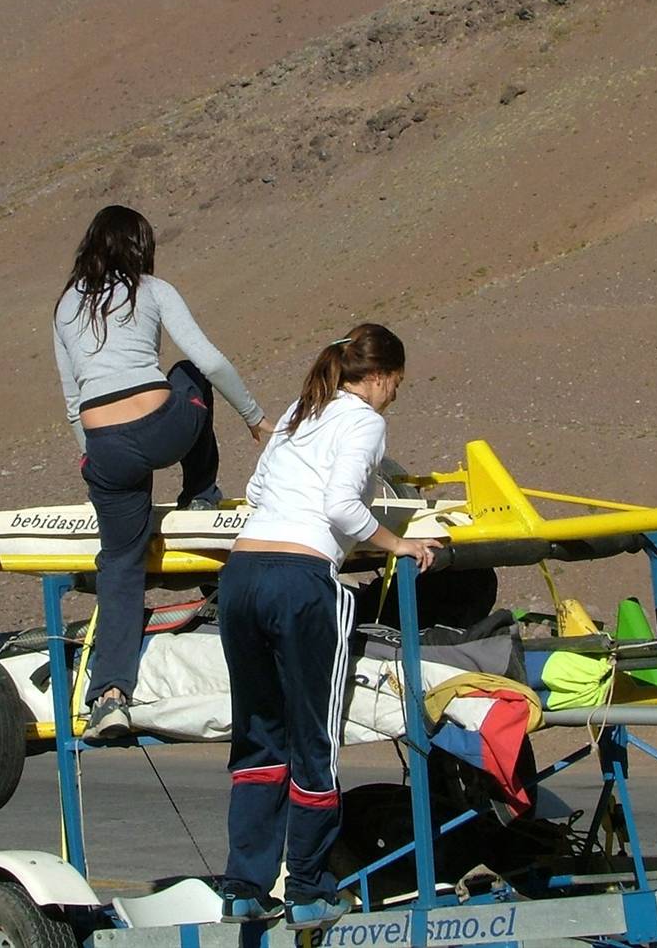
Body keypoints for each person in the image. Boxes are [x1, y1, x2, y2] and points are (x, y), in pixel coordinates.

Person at [218, 322, 440, 929]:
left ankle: (244, 885)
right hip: (302, 580)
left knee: (259, 735)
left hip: (241, 576)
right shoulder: (366, 422)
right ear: (383, 376)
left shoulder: (301, 408)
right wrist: (398, 543)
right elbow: (344, 505)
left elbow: (256, 486)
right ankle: (310, 887)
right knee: (314, 737)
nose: (394, 395)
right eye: (397, 383)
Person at [53, 205, 272, 740]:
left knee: (121, 567)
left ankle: (110, 696)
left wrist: (92, 465)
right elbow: (212, 361)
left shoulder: (63, 308)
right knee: (188, 372)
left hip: (106, 449)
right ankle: (200, 493)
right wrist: (255, 417)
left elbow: (71, 402)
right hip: (164, 428)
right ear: (139, 247)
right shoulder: (150, 289)